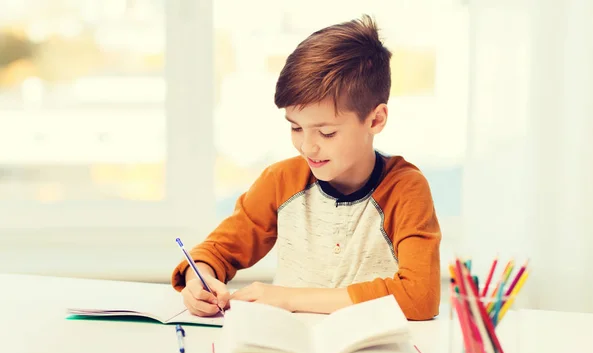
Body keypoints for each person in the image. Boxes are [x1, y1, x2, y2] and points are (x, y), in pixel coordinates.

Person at [171, 15, 441, 320]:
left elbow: (421, 296)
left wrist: (288, 298)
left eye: (327, 133)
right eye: (296, 128)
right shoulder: (281, 181)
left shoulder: (405, 189)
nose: (307, 147)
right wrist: (200, 280)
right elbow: (215, 252)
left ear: (376, 120)